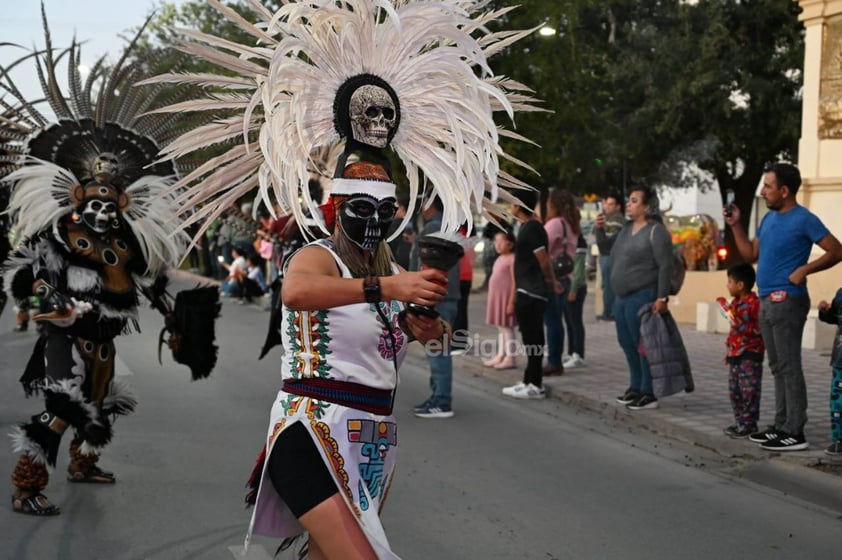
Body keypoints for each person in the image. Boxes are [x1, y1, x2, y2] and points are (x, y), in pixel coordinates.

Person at [151, 1, 541, 556]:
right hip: (311, 430)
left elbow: (421, 332)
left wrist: (428, 330)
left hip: (375, 439)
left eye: (383, 206)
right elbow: (297, 293)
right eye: (358, 203)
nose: (373, 217)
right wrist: (389, 289)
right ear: (333, 210)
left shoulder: (393, 269)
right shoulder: (316, 256)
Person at [1, 16, 219, 516]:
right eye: (93, 200)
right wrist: (51, 307)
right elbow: (23, 279)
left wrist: (175, 315)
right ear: (77, 199)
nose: (101, 210)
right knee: (64, 408)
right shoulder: (59, 238)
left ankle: (83, 463)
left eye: (109, 201)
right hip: (65, 339)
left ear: (121, 204)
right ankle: (26, 484)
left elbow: (149, 282)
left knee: (100, 406)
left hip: (103, 341)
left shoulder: (125, 246)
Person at [725, 162, 842, 451]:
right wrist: (736, 225)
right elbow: (750, 253)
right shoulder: (768, 220)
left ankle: (795, 431)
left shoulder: (804, 219)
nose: (763, 191)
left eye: (768, 186)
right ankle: (780, 425)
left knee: (789, 365)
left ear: (785, 191)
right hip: (766, 299)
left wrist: (804, 270)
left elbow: (837, 250)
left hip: (788, 300)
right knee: (777, 365)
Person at [611, 185, 674, 411]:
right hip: (622, 297)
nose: (628, 203)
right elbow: (609, 250)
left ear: (647, 206)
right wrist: (599, 231)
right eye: (629, 200)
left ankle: (649, 391)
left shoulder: (656, 231)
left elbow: (665, 266)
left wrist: (662, 298)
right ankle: (635, 385)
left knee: (644, 345)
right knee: (626, 342)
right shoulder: (626, 229)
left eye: (635, 200)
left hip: (643, 295)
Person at [502, 189, 560, 399]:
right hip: (525, 290)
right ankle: (529, 379)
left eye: (512, 203)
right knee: (529, 338)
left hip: (533, 292)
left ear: (518, 205)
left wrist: (550, 280)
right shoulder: (526, 227)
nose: (510, 207)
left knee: (534, 339)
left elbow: (543, 259)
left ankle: (535, 384)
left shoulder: (533, 228)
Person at [411, 197, 461, 417]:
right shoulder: (446, 225)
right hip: (444, 295)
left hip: (436, 296)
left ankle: (441, 400)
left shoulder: (434, 226)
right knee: (437, 347)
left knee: (437, 348)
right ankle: (437, 396)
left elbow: (428, 264)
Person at [718, 263, 764, 438]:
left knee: (749, 391)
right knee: (734, 391)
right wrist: (728, 350)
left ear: (740, 285)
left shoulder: (754, 304)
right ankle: (740, 423)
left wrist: (735, 318)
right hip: (735, 355)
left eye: (730, 281)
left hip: (750, 354)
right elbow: (734, 331)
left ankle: (750, 424)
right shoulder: (735, 304)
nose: (727, 285)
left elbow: (753, 327)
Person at [542, 188, 577, 375]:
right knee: (558, 321)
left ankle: (554, 361)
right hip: (566, 277)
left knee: (552, 322)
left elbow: (541, 248)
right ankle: (556, 360)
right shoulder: (570, 223)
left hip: (554, 279)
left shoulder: (555, 223)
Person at [482, 229, 517, 369]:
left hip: (506, 297)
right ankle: (501, 354)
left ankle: (510, 357)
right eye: (496, 242)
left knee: (506, 328)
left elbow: (515, 281)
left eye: (500, 242)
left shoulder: (513, 259)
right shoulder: (500, 258)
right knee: (500, 327)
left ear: (510, 244)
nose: (497, 245)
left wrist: (511, 301)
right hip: (497, 298)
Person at [818, 288, 842, 456]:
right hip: (840, 359)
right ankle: (838, 439)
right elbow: (833, 316)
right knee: (838, 401)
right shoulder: (841, 293)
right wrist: (824, 311)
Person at [594, 191, 624, 320]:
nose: (607, 207)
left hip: (609, 255)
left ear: (618, 206)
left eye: (611, 204)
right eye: (606, 204)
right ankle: (610, 311)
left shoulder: (616, 220)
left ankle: (610, 312)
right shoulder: (607, 219)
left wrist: (599, 229)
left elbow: (604, 242)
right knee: (607, 285)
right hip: (607, 255)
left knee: (608, 286)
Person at [563, 223, 588, 369]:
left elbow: (578, 272)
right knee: (569, 322)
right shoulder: (570, 243)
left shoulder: (579, 244)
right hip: (569, 286)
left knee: (575, 321)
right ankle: (571, 352)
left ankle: (578, 354)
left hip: (576, 288)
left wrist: (573, 290)